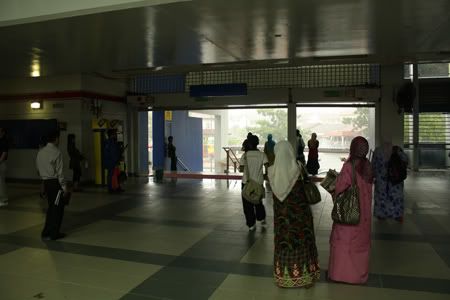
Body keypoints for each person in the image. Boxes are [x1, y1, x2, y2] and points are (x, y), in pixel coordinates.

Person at [268, 141, 320, 288]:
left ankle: (283, 279)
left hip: (282, 220)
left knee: (284, 244)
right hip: (301, 219)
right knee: (303, 243)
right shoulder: (298, 167)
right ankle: (307, 278)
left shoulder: (272, 171)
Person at [328, 136, 373, 284]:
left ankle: (341, 274)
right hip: (364, 213)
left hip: (349, 212)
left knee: (344, 242)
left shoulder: (349, 166)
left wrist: (333, 186)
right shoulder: (368, 166)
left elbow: (340, 189)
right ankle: (359, 275)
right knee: (360, 244)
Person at [36, 130, 69, 240]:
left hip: (46, 183)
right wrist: (64, 187)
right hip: (55, 183)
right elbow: (60, 172)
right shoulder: (56, 152)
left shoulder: (40, 152)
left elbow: (38, 169)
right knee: (58, 209)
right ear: (56, 139)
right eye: (58, 138)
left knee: (51, 207)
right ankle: (54, 233)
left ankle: (46, 232)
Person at [372, 142, 408, 222]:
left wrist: (373, 176)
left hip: (382, 179)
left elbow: (374, 165)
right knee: (396, 197)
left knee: (381, 197)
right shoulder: (397, 149)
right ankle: (397, 215)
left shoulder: (378, 150)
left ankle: (381, 215)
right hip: (395, 180)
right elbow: (406, 161)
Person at [240, 135, 267, 231]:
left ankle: (251, 224)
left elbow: (241, 169)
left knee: (247, 204)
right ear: (257, 143)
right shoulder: (262, 155)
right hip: (258, 182)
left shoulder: (245, 155)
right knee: (258, 202)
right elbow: (267, 167)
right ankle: (262, 218)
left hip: (246, 182)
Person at [0, 127, 9, 207]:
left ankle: (4, 199)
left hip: (1, 164)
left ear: (3, 132)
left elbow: (4, 153)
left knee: (1, 182)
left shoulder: (4, 141)